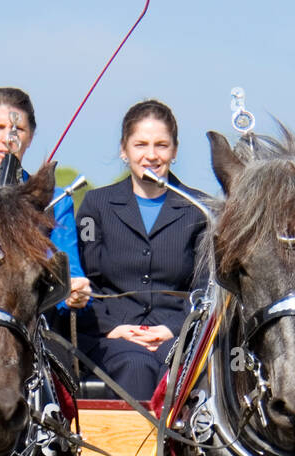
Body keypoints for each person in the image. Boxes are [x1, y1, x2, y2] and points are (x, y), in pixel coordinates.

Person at [75, 99, 208, 399]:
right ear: (125, 150)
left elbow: (205, 289)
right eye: (141, 145)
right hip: (111, 336)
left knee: (175, 365)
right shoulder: (96, 206)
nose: (151, 155)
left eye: (161, 145)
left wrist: (175, 328)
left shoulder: (199, 210)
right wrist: (115, 327)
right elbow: (82, 281)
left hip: (178, 336)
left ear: (174, 151)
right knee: (136, 364)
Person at [0, 87, 90, 311]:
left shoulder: (56, 201)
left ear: (29, 137)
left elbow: (69, 274)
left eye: (18, 129)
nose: (8, 139)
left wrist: (74, 293)